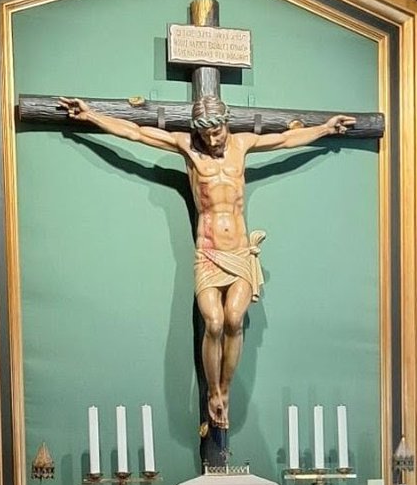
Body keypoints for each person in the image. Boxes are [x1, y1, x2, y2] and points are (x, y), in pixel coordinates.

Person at [59, 94, 355, 431]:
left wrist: (326, 129)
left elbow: (287, 140)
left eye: (217, 132)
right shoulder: (188, 147)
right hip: (209, 252)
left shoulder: (243, 144)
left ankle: (225, 390)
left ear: (226, 123)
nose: (213, 140)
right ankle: (213, 390)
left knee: (234, 319)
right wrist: (92, 116)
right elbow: (135, 133)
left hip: (239, 252)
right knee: (213, 322)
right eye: (206, 134)